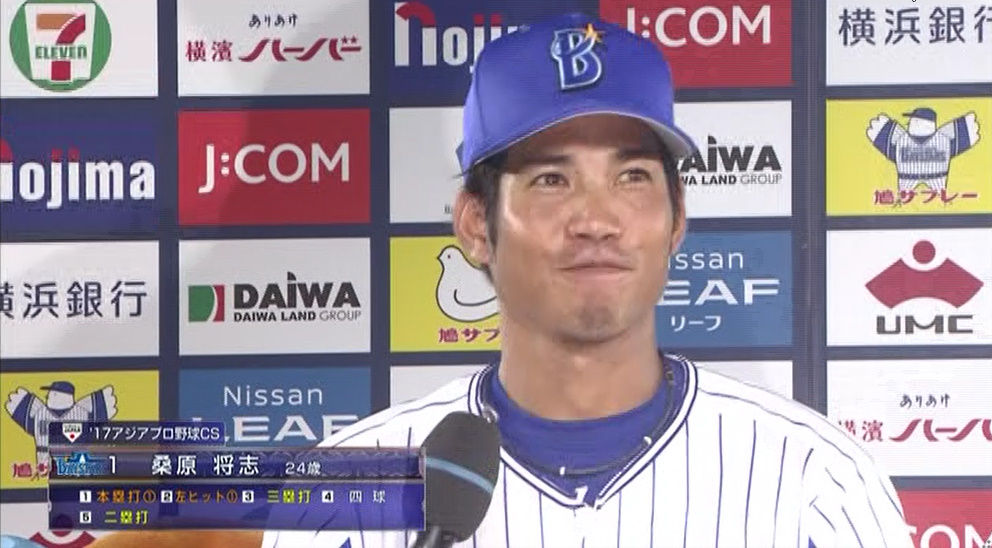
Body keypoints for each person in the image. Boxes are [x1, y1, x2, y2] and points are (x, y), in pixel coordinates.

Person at [259, 12, 912, 548]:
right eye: (552, 179)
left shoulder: (814, 486)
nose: (597, 220)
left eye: (632, 177)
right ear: (476, 223)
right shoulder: (347, 498)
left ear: (677, 218)